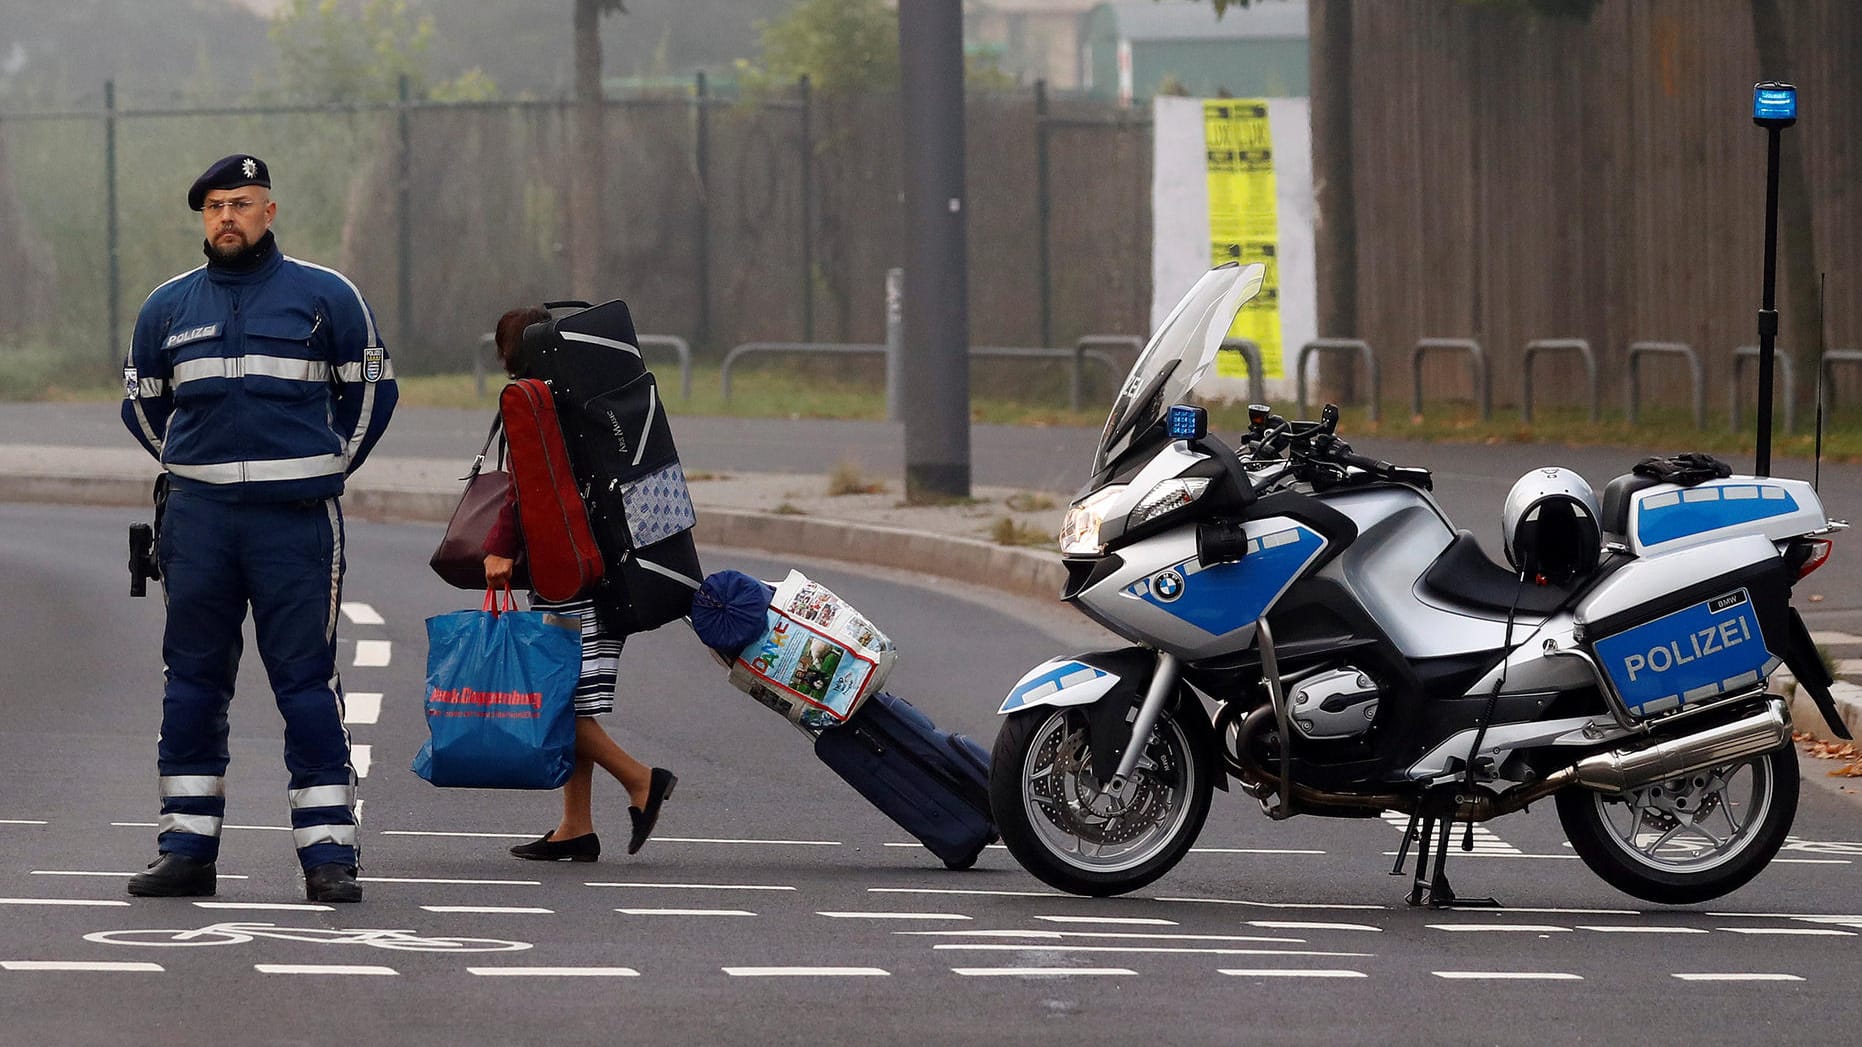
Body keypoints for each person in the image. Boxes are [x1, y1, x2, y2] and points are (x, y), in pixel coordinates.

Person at [120, 154, 398, 903]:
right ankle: (185, 850)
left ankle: (329, 855)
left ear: (269, 211)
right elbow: (144, 404)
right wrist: (193, 467)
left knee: (305, 683)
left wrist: (325, 465)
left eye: (241, 203)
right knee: (193, 685)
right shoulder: (167, 307)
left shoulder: (325, 295)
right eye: (213, 206)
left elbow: (373, 390)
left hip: (296, 526)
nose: (227, 217)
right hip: (200, 526)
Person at [483, 305, 677, 862]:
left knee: (555, 702)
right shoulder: (588, 393)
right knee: (573, 699)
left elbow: (529, 489)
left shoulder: (535, 401)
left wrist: (501, 547)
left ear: (510, 354)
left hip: (571, 570)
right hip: (614, 563)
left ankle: (642, 780)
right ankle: (575, 826)